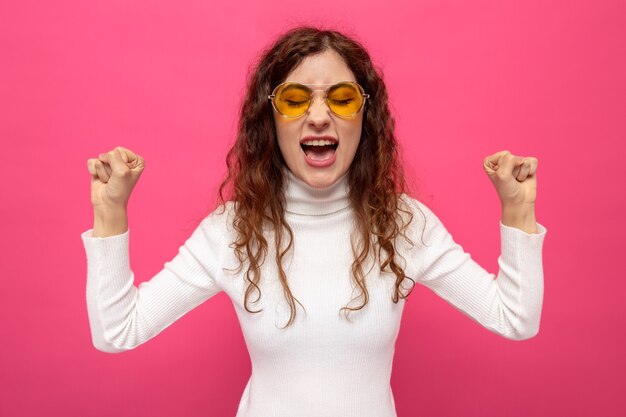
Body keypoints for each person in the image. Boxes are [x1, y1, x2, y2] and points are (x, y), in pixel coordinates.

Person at [82, 26, 547, 417]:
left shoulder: (404, 225)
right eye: (296, 99)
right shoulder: (231, 230)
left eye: (342, 99)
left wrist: (517, 210)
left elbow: (515, 318)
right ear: (271, 116)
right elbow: (119, 329)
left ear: (365, 115)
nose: (319, 117)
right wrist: (111, 212)